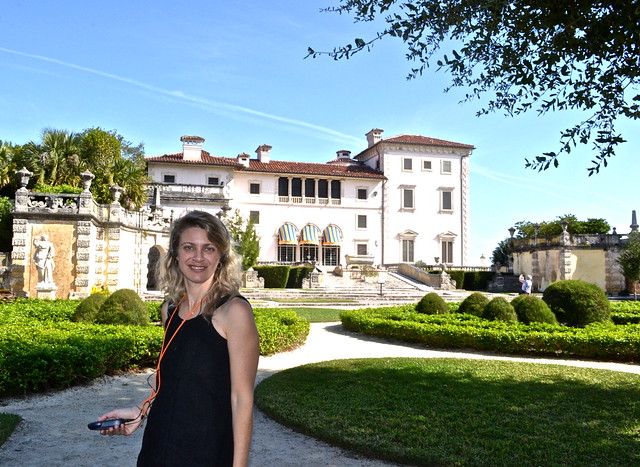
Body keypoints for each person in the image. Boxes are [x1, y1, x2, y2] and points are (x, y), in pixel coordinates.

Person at [96, 210, 260, 466]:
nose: (198, 257)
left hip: (208, 450)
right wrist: (141, 412)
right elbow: (171, 380)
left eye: (208, 248)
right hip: (158, 446)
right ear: (174, 254)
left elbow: (242, 400)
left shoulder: (233, 312)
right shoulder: (169, 310)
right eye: (188, 247)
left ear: (221, 256)